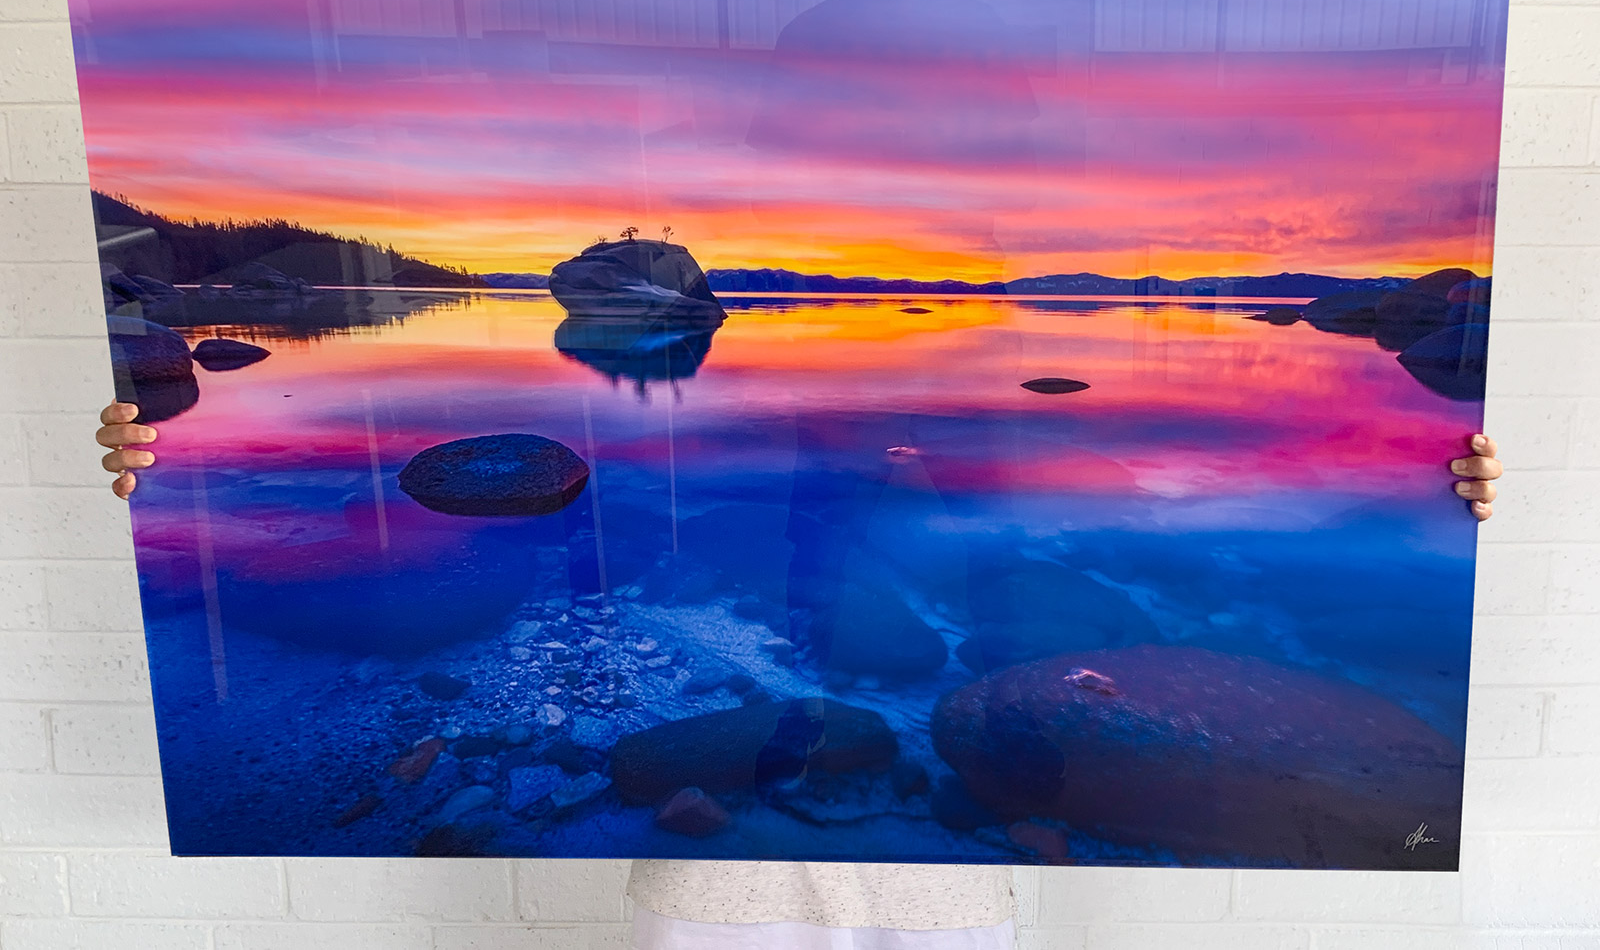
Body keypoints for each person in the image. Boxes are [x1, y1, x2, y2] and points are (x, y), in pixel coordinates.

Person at [93, 401, 1502, 948]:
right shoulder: (804, 488)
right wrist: (148, 478)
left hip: (925, 844)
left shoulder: (955, 472)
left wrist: (1458, 482)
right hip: (813, 818)